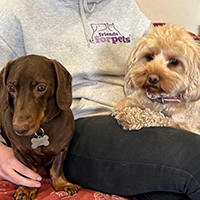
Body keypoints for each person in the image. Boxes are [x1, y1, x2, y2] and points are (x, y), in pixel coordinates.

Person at [0, 0, 200, 199]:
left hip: (140, 114)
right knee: (195, 161)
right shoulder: (18, 12)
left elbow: (151, 60)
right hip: (78, 127)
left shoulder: (125, 6)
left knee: (174, 192)